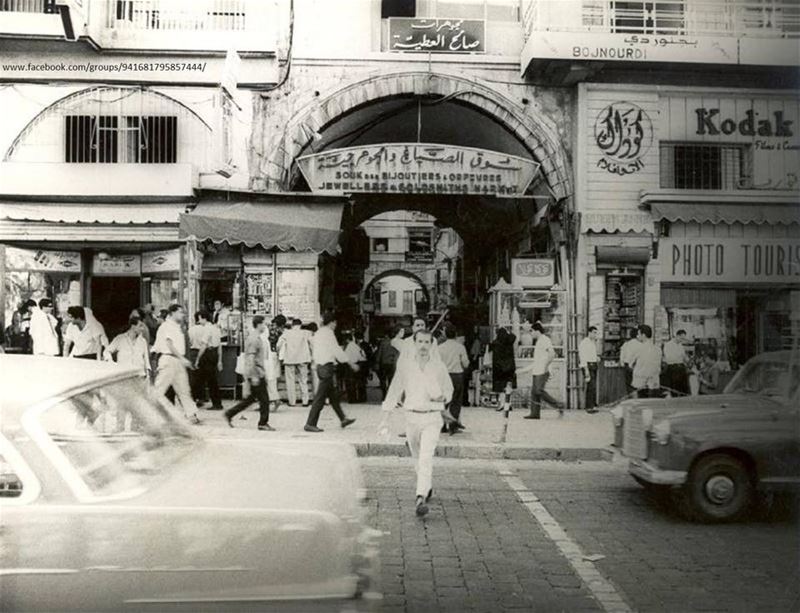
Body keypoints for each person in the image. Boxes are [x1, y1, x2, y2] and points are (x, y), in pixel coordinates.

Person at [378, 329, 454, 517]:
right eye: (419, 341)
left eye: (426, 342)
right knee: (417, 456)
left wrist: (444, 397)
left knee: (426, 456)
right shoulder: (406, 367)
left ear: (431, 344)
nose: (423, 346)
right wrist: (385, 417)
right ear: (414, 343)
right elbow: (394, 391)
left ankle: (420, 496)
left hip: (432, 418)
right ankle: (425, 485)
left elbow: (449, 388)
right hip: (411, 417)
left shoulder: (438, 367)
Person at [304, 312, 358, 433]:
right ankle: (310, 423)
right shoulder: (328, 333)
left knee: (333, 397)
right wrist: (350, 363)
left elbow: (317, 350)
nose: (335, 325)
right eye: (335, 322)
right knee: (319, 398)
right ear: (332, 322)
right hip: (326, 367)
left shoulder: (318, 333)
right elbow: (336, 350)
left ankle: (343, 418)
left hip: (320, 366)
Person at [152, 304, 200, 424]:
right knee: (159, 389)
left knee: (184, 389)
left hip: (177, 360)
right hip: (169, 359)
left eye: (183, 313)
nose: (183, 315)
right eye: (180, 312)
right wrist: (181, 358)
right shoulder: (167, 326)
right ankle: (146, 415)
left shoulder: (177, 327)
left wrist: (182, 359)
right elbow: (169, 344)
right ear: (172, 313)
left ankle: (191, 415)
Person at [224, 316, 274, 431]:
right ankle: (262, 423)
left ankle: (230, 413)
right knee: (264, 399)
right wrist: (254, 376)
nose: (265, 326)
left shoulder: (255, 337)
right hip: (256, 373)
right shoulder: (254, 339)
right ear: (259, 324)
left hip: (257, 372)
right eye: (264, 324)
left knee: (251, 399)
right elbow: (250, 358)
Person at [522, 322, 564, 418]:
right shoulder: (539, 341)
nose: (531, 333)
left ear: (537, 331)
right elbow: (538, 359)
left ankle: (558, 405)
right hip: (537, 370)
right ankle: (535, 413)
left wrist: (546, 366)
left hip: (542, 371)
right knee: (534, 392)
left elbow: (552, 354)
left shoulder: (545, 339)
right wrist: (525, 370)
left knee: (538, 391)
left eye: (532, 331)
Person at [438, 323, 469, 435]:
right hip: (457, 376)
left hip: (444, 376)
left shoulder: (439, 348)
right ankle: (453, 426)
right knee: (456, 401)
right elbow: (465, 364)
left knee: (443, 401)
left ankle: (441, 425)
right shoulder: (460, 347)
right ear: (455, 335)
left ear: (445, 334)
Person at [189, 310, 222, 410]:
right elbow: (219, 345)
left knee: (203, 378)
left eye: (199, 319)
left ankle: (199, 398)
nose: (199, 321)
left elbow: (203, 345)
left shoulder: (207, 329)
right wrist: (220, 360)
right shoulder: (216, 328)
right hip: (214, 353)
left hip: (207, 354)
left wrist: (198, 359)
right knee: (209, 378)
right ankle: (213, 401)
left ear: (203, 318)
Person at [277, 318, 312, 407]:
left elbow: (278, 345)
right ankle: (305, 401)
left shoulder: (287, 333)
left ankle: (292, 402)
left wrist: (279, 353)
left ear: (292, 325)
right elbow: (312, 344)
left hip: (289, 359)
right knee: (303, 380)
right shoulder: (306, 333)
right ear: (300, 325)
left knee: (290, 381)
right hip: (303, 359)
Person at [105, 315, 151, 379]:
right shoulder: (120, 339)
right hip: (124, 376)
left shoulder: (143, 341)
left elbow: (146, 359)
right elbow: (107, 351)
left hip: (139, 376)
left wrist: (148, 374)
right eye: (140, 326)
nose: (142, 329)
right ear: (133, 326)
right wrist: (111, 362)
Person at [631, 324, 662, 399]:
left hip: (640, 382)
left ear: (643, 335)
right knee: (652, 405)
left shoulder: (637, 349)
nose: (637, 336)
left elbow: (630, 364)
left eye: (638, 334)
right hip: (654, 382)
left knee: (641, 405)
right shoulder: (658, 349)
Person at [375, 326, 402, 398]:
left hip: (384, 364)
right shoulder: (396, 342)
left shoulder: (383, 342)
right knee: (391, 381)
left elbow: (379, 353)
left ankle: (384, 396)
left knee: (383, 381)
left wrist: (377, 363)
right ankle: (390, 396)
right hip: (392, 364)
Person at [579, 326, 600, 413]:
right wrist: (586, 370)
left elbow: (591, 354)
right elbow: (583, 357)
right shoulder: (584, 343)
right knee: (591, 386)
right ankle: (589, 407)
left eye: (596, 333)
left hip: (593, 365)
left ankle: (593, 405)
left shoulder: (593, 343)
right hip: (588, 366)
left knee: (593, 386)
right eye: (594, 332)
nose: (595, 335)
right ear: (590, 333)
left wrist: (596, 358)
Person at [663, 329, 690, 395]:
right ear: (677, 336)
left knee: (684, 389)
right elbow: (668, 358)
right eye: (681, 338)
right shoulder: (668, 345)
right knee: (675, 389)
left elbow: (684, 356)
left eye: (683, 338)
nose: (682, 340)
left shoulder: (681, 346)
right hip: (673, 368)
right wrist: (679, 358)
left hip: (681, 368)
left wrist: (687, 359)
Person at [491, 327, 516, 393]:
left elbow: (496, 359)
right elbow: (513, 336)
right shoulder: (509, 342)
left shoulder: (496, 344)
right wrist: (509, 332)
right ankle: (507, 402)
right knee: (509, 390)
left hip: (499, 371)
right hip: (509, 370)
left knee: (499, 391)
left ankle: (500, 401)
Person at [344, 332, 367, 403]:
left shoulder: (350, 346)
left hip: (352, 365)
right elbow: (363, 355)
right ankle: (362, 398)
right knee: (360, 382)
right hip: (360, 363)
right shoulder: (356, 346)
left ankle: (352, 399)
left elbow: (345, 356)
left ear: (347, 340)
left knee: (351, 383)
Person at [619, 329, 641, 394]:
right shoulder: (640, 344)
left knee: (629, 385)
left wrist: (622, 364)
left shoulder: (626, 344)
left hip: (627, 366)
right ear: (637, 335)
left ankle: (631, 400)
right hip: (638, 366)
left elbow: (622, 356)